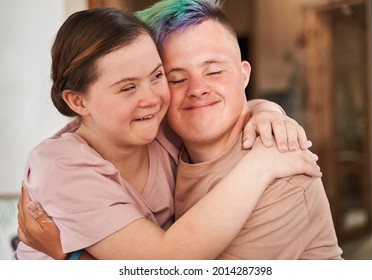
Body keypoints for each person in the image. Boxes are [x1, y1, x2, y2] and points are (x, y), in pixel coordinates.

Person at [14, 7, 321, 260]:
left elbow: (210, 107)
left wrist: (267, 111)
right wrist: (261, 165)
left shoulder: (159, 127)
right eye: (128, 87)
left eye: (158, 76)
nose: (153, 98)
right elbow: (165, 261)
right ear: (78, 101)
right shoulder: (62, 167)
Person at [138, 0, 343, 259]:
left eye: (213, 71)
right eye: (176, 79)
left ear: (244, 75)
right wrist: (266, 108)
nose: (197, 89)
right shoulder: (166, 142)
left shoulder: (284, 174)